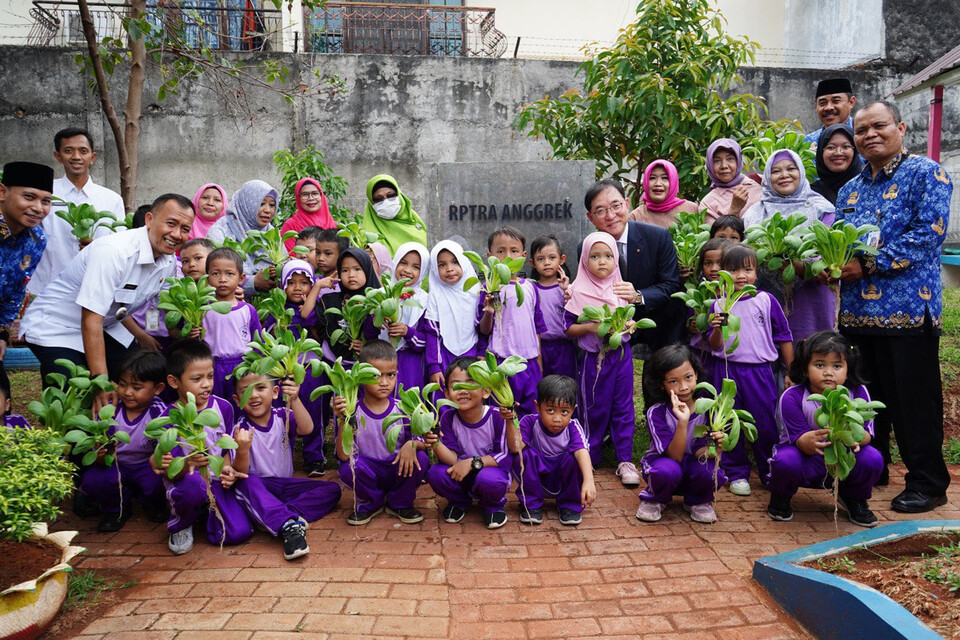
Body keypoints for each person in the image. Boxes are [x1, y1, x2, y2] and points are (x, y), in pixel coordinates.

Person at [832, 100, 952, 513]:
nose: (869, 135)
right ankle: (873, 467)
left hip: (908, 311)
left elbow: (927, 235)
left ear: (900, 127)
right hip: (857, 315)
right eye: (861, 130)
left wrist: (865, 264)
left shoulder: (927, 173)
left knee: (912, 401)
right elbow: (837, 242)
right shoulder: (850, 188)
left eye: (878, 125)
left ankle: (928, 482)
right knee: (867, 397)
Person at [21, 193, 193, 409]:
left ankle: (132, 433)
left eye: (185, 229)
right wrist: (100, 381)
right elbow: (90, 318)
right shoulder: (114, 252)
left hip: (105, 325)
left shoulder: (166, 261)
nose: (176, 234)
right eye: (171, 223)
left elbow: (128, 306)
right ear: (149, 220)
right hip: (55, 327)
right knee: (78, 398)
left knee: (143, 373)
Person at [767, 331, 883, 527]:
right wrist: (808, 440)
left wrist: (853, 437)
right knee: (785, 461)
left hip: (843, 458)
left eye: (837, 366)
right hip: (808, 459)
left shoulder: (858, 392)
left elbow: (866, 435)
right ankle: (780, 497)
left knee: (872, 458)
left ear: (848, 369)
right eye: (820, 365)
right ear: (805, 369)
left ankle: (854, 498)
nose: (829, 372)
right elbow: (800, 440)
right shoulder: (792, 396)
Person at [152, 340, 253, 555]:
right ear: (173, 381)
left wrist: (226, 467)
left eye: (209, 376)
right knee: (192, 486)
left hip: (215, 481)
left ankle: (208, 515)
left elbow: (225, 450)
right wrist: (188, 462)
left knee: (238, 533)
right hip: (186, 481)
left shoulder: (223, 407)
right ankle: (181, 523)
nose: (206, 384)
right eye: (197, 379)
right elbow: (170, 470)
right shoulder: (168, 418)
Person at [707, 244, 793, 495]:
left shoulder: (766, 301)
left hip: (760, 372)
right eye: (733, 270)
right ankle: (736, 473)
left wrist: (792, 371)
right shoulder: (718, 305)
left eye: (748, 269)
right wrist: (715, 328)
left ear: (756, 273)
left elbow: (784, 336)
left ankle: (769, 469)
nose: (741, 276)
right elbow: (714, 345)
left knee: (764, 422)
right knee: (729, 423)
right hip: (726, 370)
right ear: (723, 273)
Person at [231, 372, 341, 560]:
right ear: (237, 399)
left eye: (260, 388)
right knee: (247, 482)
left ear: (275, 392)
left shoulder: (283, 415)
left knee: (332, 489)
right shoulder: (239, 429)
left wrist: (295, 399)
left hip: (285, 485)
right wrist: (242, 449)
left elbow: (307, 429)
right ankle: (288, 525)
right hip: (259, 487)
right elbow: (239, 472)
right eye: (246, 390)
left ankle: (271, 515)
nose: (254, 395)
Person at [564, 232, 638, 485]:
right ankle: (589, 456)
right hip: (593, 358)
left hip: (620, 356)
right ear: (584, 260)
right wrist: (590, 328)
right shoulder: (576, 291)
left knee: (623, 406)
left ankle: (625, 459)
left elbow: (630, 318)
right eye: (594, 256)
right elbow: (568, 329)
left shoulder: (623, 289)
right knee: (592, 406)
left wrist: (630, 325)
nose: (602, 261)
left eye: (608, 256)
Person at [743, 149, 836, 342]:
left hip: (812, 295)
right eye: (776, 171)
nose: (784, 175)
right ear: (767, 177)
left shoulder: (821, 207)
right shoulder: (753, 213)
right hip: (767, 297)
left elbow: (829, 255)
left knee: (815, 353)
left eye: (791, 169)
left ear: (801, 172)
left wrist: (800, 266)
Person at [334, 341, 431, 525]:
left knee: (421, 459)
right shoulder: (352, 410)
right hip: (368, 470)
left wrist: (412, 445)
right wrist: (342, 420)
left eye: (391, 375)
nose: (384, 382)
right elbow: (343, 455)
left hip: (399, 467)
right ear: (360, 376)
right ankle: (371, 503)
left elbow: (421, 440)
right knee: (348, 468)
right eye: (376, 376)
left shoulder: (403, 407)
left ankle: (400, 502)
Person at [584, 178, 683, 357]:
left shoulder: (658, 237)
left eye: (616, 206)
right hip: (610, 333)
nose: (610, 215)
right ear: (590, 217)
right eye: (600, 210)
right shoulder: (587, 248)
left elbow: (672, 285)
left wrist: (638, 296)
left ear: (627, 204)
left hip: (657, 325)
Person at [80, 350, 169, 532]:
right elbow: (94, 443)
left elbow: (166, 446)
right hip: (115, 464)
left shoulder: (159, 412)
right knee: (95, 479)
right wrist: (98, 453)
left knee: (158, 479)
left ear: (158, 388)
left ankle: (153, 503)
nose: (127, 392)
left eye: (136, 387)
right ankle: (117, 510)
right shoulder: (110, 409)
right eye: (122, 384)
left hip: (146, 465)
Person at [28, 128, 125, 295]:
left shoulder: (111, 199)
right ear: (58, 156)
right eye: (68, 151)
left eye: (83, 151)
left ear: (92, 157)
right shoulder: (45, 194)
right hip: (47, 290)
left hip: (94, 291)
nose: (76, 157)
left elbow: (120, 247)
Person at [636, 345, 724, 524]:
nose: (683, 387)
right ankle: (656, 498)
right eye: (673, 381)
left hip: (694, 466)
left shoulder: (708, 410)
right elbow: (674, 456)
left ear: (697, 375)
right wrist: (683, 422)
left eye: (688, 377)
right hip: (668, 465)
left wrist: (716, 447)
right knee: (665, 471)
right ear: (662, 385)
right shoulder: (657, 413)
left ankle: (698, 500)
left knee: (710, 470)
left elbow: (702, 452)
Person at [425, 357, 512, 529]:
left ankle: (494, 506)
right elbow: (451, 458)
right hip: (461, 472)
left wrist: (473, 463)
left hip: (490, 472)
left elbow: (504, 456)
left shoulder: (497, 416)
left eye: (470, 384)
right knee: (436, 473)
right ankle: (459, 501)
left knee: (489, 480)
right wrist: (435, 444)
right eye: (456, 385)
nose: (463, 390)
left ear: (486, 391)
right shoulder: (448, 418)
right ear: (447, 394)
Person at [477, 226, 546, 418]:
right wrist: (488, 312)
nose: (507, 257)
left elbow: (537, 328)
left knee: (531, 412)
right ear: (490, 256)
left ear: (523, 256)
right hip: (501, 364)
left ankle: (528, 447)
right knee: (503, 413)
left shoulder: (531, 288)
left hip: (528, 363)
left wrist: (539, 363)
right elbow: (483, 330)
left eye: (514, 251)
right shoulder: (487, 290)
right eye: (500, 251)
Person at [508, 375, 594, 526]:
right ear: (537, 407)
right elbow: (515, 448)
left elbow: (582, 451)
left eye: (564, 412)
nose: (557, 418)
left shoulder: (573, 426)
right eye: (550, 410)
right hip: (537, 477)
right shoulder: (529, 422)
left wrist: (589, 481)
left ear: (573, 410)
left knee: (575, 458)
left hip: (561, 475)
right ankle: (531, 504)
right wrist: (510, 420)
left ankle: (569, 505)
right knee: (522, 455)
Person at [0, 161, 53, 362]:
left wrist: (2, 334)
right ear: (2, 192)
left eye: (46, 201)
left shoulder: (36, 239)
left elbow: (15, 290)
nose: (38, 208)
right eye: (29, 197)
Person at [201, 247, 262, 411]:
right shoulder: (202, 310)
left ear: (241, 278)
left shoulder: (247, 310)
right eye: (215, 274)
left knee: (242, 406)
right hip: (213, 367)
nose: (222, 279)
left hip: (242, 366)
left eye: (229, 274)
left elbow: (259, 342)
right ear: (207, 278)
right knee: (216, 407)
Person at [424, 240, 482, 393]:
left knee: (472, 392)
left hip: (472, 352)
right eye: (442, 265)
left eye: (455, 262)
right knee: (445, 395)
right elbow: (432, 332)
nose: (449, 269)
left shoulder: (475, 292)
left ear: (464, 262)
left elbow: (482, 329)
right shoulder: (436, 294)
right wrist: (434, 366)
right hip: (444, 355)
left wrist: (482, 354)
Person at [206, 180, 280, 298]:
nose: (268, 210)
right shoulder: (221, 229)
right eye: (261, 204)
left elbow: (281, 262)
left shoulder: (271, 232)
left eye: (272, 205)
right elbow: (214, 271)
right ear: (247, 204)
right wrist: (252, 282)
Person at [380, 242, 429, 393]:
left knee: (407, 404)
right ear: (395, 263)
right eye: (403, 263)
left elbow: (426, 342)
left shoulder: (425, 300)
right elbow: (368, 333)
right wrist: (378, 317)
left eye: (416, 267)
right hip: (381, 359)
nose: (407, 270)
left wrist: (407, 331)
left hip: (410, 364)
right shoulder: (381, 294)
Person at [529, 235, 577, 379]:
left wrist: (567, 291)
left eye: (552, 258)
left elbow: (576, 316)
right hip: (539, 347)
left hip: (564, 347)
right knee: (542, 386)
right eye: (540, 259)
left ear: (561, 259)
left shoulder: (567, 288)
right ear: (532, 263)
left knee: (565, 386)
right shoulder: (530, 289)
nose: (547, 263)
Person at [360, 174, 427, 255]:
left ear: (399, 195)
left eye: (391, 195)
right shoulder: (367, 237)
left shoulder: (416, 226)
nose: (386, 202)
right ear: (371, 203)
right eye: (379, 199)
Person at [700, 139, 763, 221]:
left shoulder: (759, 182)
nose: (724, 166)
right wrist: (734, 210)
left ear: (738, 161)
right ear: (710, 165)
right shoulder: (707, 204)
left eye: (730, 159)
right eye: (717, 161)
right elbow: (715, 233)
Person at [628, 159, 699, 228]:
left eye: (664, 178)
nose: (658, 183)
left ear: (673, 182)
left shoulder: (692, 210)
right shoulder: (635, 217)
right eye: (652, 178)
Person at [811, 124, 863, 204]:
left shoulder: (867, 186)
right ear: (821, 152)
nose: (838, 153)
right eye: (831, 147)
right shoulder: (811, 193)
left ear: (855, 151)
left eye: (846, 147)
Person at [281, 178, 336, 252]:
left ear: (321, 195)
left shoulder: (334, 226)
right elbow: (292, 257)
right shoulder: (290, 226)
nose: (310, 198)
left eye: (315, 193)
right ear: (298, 198)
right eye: (305, 194)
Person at [804, 78, 857, 148]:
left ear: (851, 102)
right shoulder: (808, 142)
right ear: (816, 106)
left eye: (836, 101)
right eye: (823, 103)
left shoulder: (863, 137)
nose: (828, 108)